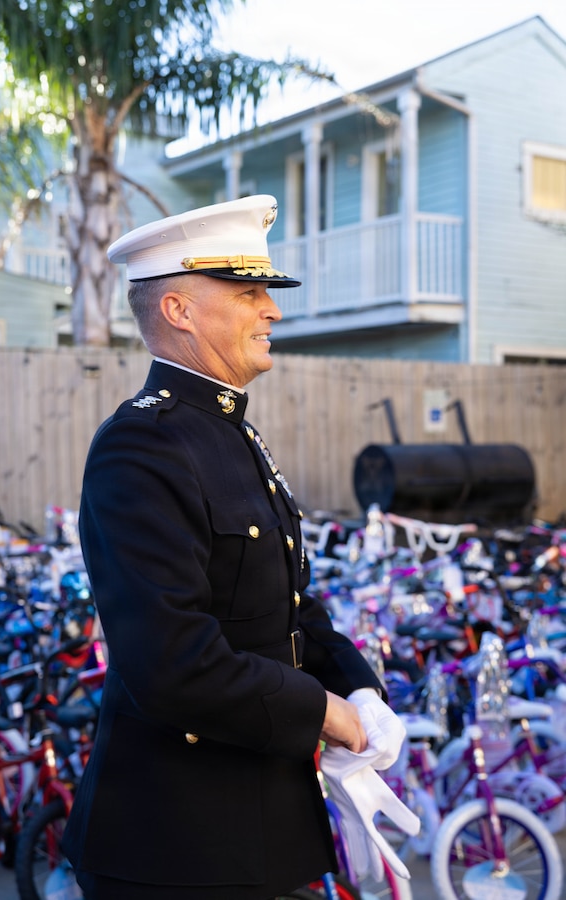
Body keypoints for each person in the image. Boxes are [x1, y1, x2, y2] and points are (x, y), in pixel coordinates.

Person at [63, 195, 404, 899]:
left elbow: (287, 608)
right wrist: (326, 714)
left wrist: (361, 690)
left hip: (268, 836)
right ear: (179, 311)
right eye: (249, 293)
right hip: (175, 851)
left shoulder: (234, 434)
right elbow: (171, 663)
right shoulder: (140, 445)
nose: (271, 311)